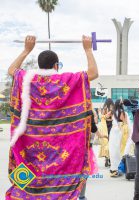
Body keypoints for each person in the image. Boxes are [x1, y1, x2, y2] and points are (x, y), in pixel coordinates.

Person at [6, 35, 98, 199]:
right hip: (59, 150)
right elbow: (93, 73)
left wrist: (26, 50)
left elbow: (11, 70)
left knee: (27, 181)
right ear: (56, 65)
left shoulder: (27, 79)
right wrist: (88, 49)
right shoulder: (66, 80)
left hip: (31, 148)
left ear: (39, 65)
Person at [109, 99, 131, 177]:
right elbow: (127, 123)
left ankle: (114, 169)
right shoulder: (125, 113)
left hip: (115, 133)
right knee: (122, 149)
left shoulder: (114, 113)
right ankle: (121, 168)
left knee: (113, 151)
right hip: (123, 132)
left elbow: (114, 124)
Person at [98, 98, 114, 167]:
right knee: (110, 142)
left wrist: (101, 114)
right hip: (110, 125)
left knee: (106, 142)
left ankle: (107, 158)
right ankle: (109, 159)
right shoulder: (112, 109)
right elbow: (110, 117)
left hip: (104, 126)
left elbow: (102, 117)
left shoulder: (104, 109)